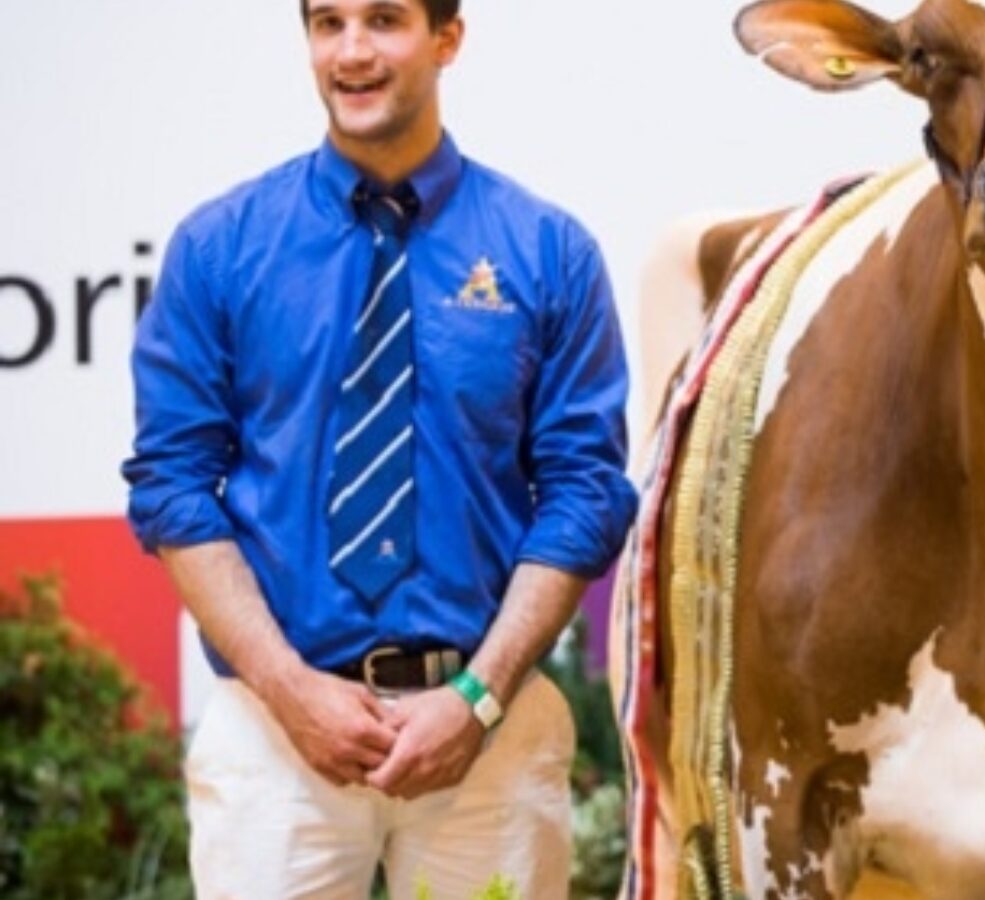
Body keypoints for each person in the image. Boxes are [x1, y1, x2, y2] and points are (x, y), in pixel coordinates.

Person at [122, 0, 636, 895]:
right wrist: (290, 691)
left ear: (448, 39)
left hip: (487, 735)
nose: (352, 52)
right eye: (328, 23)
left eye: (385, 19)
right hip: (275, 736)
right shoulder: (220, 249)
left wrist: (474, 701)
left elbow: (584, 493)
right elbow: (172, 488)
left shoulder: (549, 253)